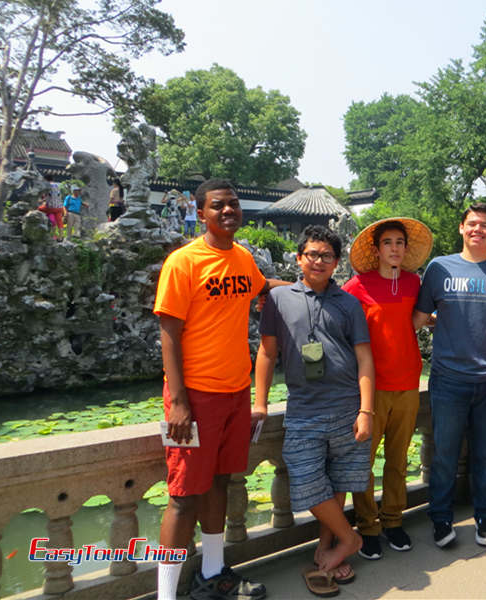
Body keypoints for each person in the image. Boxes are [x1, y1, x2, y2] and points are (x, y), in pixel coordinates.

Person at [152, 178, 289, 600]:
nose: (228, 210)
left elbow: (262, 287)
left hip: (235, 392)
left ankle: (212, 574)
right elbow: (169, 333)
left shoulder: (242, 258)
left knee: (219, 483)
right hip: (194, 395)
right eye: (218, 205)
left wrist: (310, 285)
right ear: (200, 213)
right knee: (182, 496)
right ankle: (166, 594)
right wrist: (178, 403)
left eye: (233, 204)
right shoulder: (184, 262)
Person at [254, 224, 375, 597]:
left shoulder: (349, 304)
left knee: (338, 481)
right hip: (304, 408)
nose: (318, 261)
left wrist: (366, 411)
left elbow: (364, 358)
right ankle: (350, 539)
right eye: (312, 254)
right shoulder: (278, 300)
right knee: (307, 480)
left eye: (326, 256)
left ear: (336, 263)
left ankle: (328, 550)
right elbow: (267, 352)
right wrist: (259, 402)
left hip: (346, 406)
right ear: (299, 258)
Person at [413, 202, 486, 548]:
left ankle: (485, 517)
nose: (478, 229)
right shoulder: (439, 268)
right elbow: (417, 319)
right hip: (448, 379)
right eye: (472, 223)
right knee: (444, 454)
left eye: (485, 225)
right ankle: (441, 518)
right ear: (461, 228)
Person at [343, 218, 434, 560]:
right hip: (372, 387)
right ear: (376, 249)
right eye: (388, 243)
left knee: (397, 460)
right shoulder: (357, 286)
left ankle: (393, 520)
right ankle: (368, 526)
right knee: (363, 462)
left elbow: (417, 318)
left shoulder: (414, 282)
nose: (394, 248)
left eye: (399, 243)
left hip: (408, 382)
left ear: (406, 249)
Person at [38, 174, 64, 239]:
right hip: (59, 207)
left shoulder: (47, 186)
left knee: (38, 209)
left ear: (45, 180)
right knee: (59, 222)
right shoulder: (58, 185)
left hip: (50, 207)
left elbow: (44, 196)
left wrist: (41, 201)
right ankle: (60, 237)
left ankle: (53, 235)